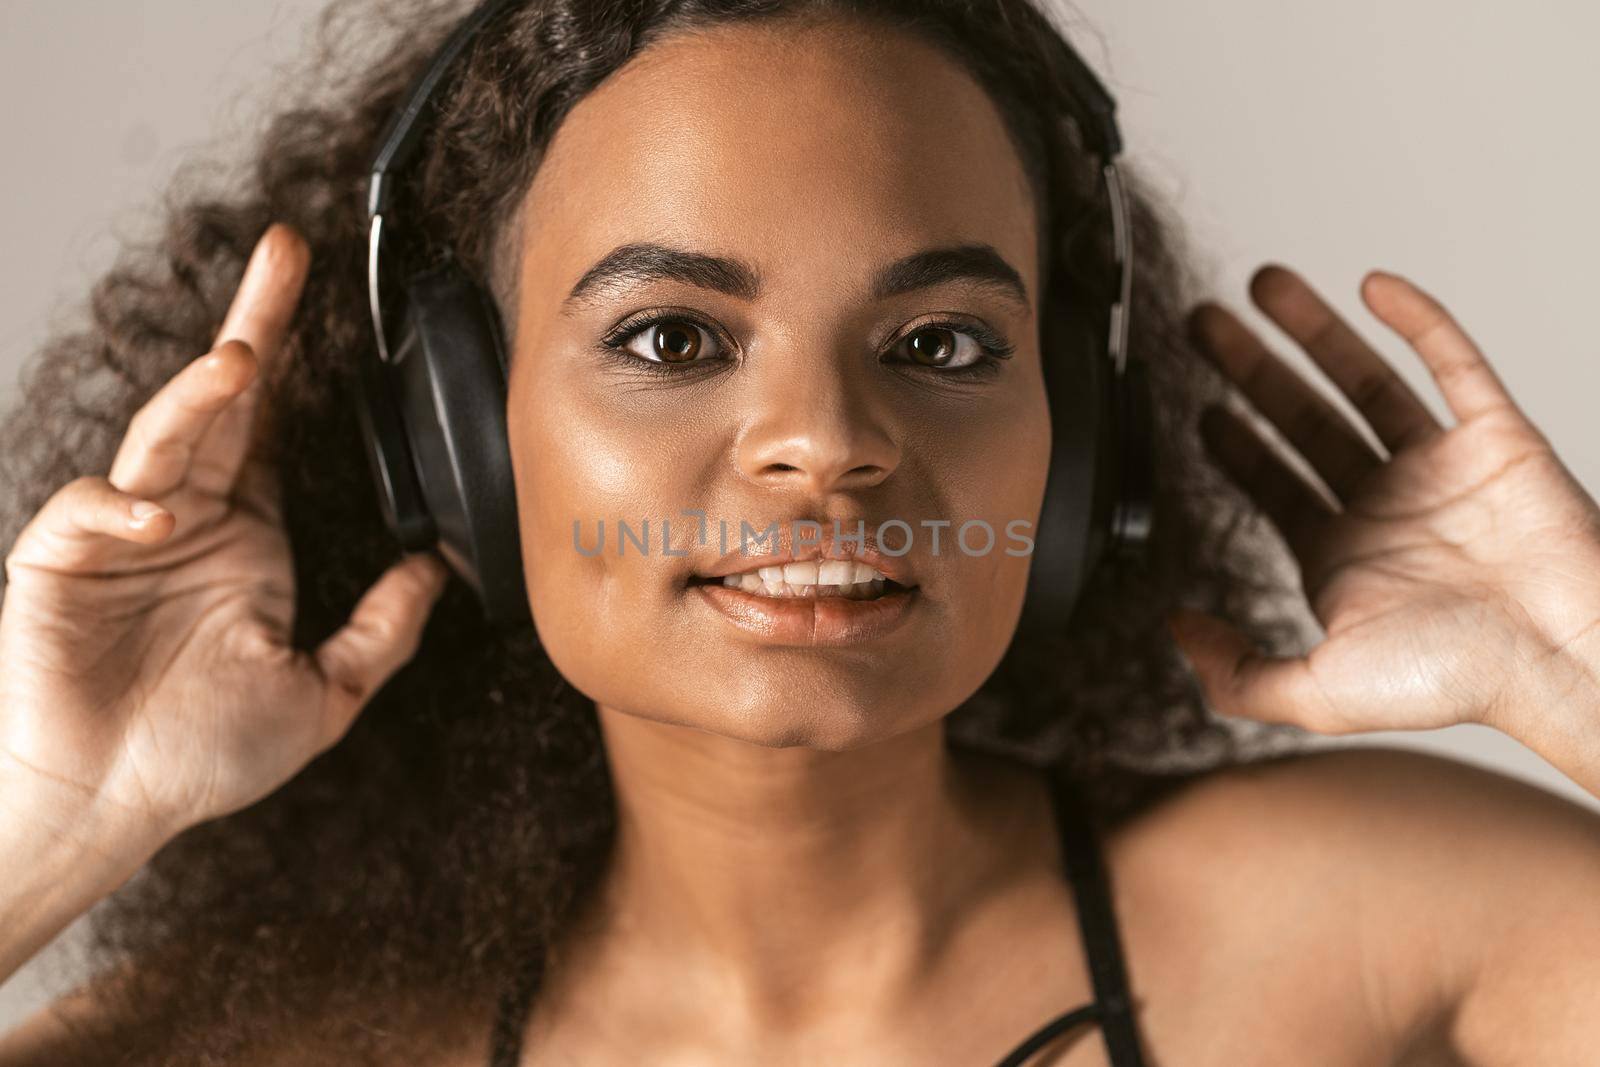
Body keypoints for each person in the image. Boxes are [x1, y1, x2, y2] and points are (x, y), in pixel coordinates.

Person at [3, 0, 1600, 1063]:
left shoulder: (1372, 929)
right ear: (461, 442)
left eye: (945, 345)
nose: (829, 449)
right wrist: (51, 823)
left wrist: (1582, 675)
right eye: (673, 339)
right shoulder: (290, 1040)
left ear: (1076, 427)